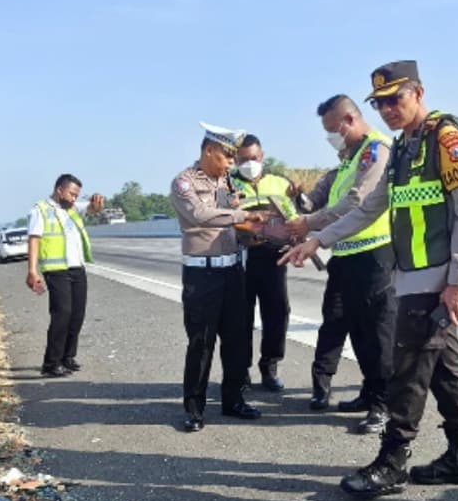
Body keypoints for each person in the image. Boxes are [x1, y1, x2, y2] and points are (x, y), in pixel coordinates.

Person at [283, 61, 458, 497]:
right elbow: (367, 209)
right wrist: (318, 240)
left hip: (435, 279)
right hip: (410, 274)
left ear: (418, 92)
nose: (389, 109)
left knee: (409, 370)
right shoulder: (402, 149)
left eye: (397, 99)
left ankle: (393, 460)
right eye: (381, 103)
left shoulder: (443, 137)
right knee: (446, 368)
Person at [288, 95, 397, 430]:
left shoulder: (377, 151)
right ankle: (369, 391)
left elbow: (356, 204)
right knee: (360, 335)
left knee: (378, 336)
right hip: (347, 256)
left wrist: (311, 226)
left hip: (374, 255)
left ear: (349, 120)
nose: (331, 137)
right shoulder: (350, 158)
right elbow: (327, 200)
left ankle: (383, 405)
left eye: (333, 130)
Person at [170, 122, 269, 432]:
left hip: (233, 271)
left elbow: (228, 225)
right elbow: (200, 216)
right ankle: (194, 408)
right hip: (203, 275)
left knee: (238, 341)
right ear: (210, 151)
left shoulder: (226, 182)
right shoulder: (184, 182)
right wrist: (243, 216)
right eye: (227, 156)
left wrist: (249, 234)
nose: (231, 163)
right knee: (201, 343)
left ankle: (233, 400)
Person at [232, 134, 296, 392]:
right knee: (239, 317)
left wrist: (294, 237)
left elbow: (292, 217)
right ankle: (240, 371)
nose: (250, 163)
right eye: (244, 159)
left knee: (278, 312)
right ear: (236, 160)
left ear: (263, 156)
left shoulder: (280, 183)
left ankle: (270, 367)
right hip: (241, 258)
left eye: (255, 158)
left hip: (273, 256)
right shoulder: (227, 185)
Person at [26, 174, 105, 377]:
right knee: (62, 315)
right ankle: (51, 363)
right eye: (71, 194)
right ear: (59, 190)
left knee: (77, 315)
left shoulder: (72, 209)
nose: (73, 198)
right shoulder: (40, 210)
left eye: (77, 195)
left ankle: (67, 357)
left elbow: (92, 210)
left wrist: (97, 203)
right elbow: (34, 240)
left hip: (77, 268)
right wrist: (32, 271)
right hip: (56, 270)